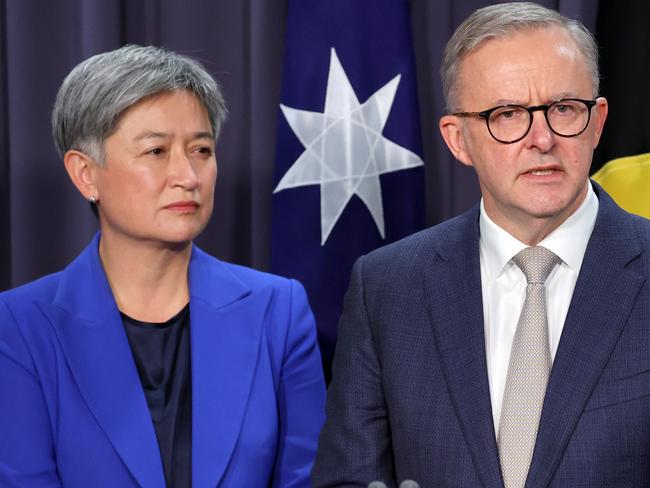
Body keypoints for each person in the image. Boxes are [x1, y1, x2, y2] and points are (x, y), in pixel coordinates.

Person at [313, 2, 650, 487]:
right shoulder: (387, 288)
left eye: (563, 108)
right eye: (507, 114)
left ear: (597, 121)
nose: (542, 139)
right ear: (458, 140)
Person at [0, 45, 325, 488]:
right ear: (85, 174)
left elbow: (308, 478)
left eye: (201, 150)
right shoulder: (19, 327)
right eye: (156, 151)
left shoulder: (278, 311)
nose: (188, 176)